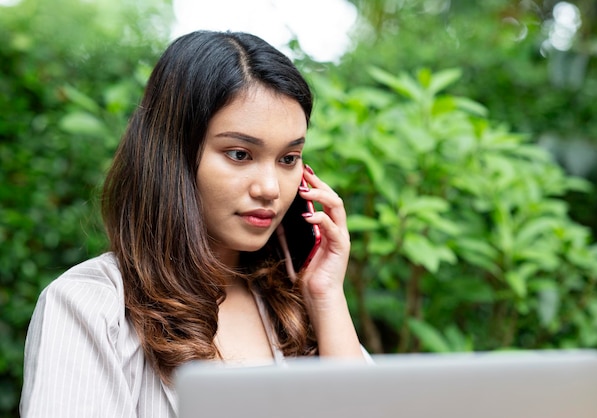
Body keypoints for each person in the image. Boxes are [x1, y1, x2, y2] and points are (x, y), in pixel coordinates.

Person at [20, 30, 366, 417]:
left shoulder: (293, 302)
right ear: (174, 155)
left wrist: (325, 296)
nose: (270, 188)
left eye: (288, 158)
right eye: (239, 154)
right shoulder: (90, 307)